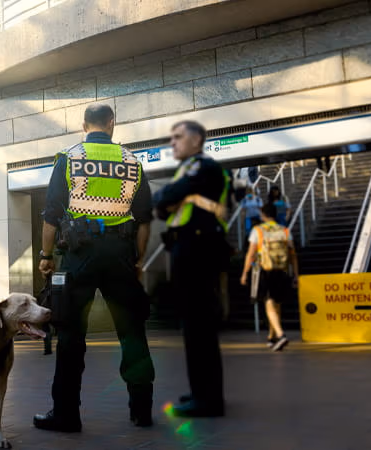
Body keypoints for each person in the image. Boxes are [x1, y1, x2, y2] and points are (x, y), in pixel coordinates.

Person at [32, 103, 155, 432]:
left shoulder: (69, 158)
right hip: (121, 253)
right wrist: (139, 260)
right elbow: (144, 220)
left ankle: (66, 415)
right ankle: (142, 410)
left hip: (78, 253)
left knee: (71, 335)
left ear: (83, 124)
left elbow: (51, 214)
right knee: (132, 332)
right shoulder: (132, 160)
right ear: (112, 123)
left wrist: (46, 256)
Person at [153, 120, 231, 418]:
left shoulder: (205, 167)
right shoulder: (186, 170)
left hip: (198, 250)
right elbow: (161, 205)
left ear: (197, 140)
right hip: (186, 250)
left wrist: (173, 196)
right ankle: (202, 391)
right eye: (171, 138)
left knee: (199, 326)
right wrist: (171, 197)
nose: (172, 143)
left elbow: (166, 197)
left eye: (178, 137)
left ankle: (208, 400)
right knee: (192, 326)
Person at [241, 203, 299, 352]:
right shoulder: (285, 230)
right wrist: (296, 275)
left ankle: (280, 334)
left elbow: (251, 253)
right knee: (277, 303)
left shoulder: (258, 231)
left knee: (269, 302)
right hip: (282, 269)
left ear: (263, 215)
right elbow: (293, 255)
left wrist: (245, 272)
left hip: (265, 269)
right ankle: (271, 336)